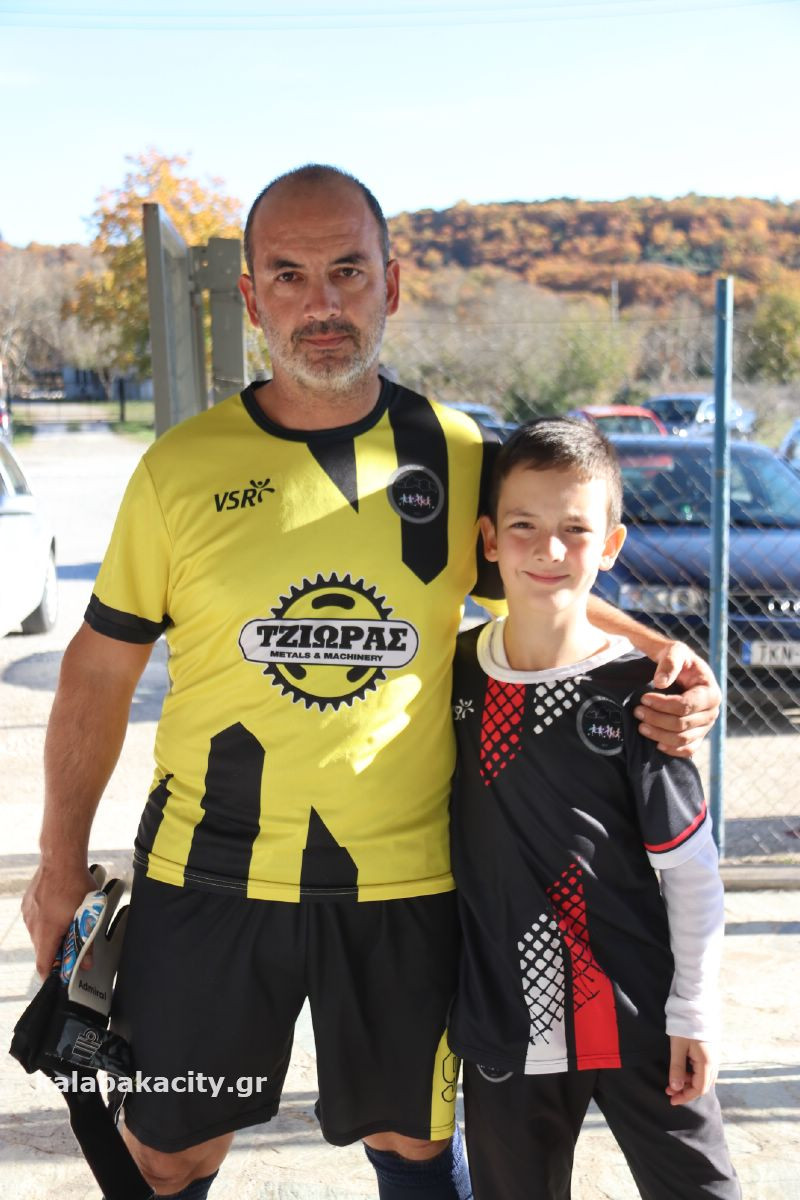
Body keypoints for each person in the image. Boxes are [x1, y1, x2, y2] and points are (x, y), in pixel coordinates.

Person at [22, 165, 721, 1200]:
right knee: (168, 1153)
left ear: (390, 285)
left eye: (348, 271)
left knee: (413, 1146)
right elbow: (95, 671)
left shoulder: (456, 453)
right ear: (251, 297)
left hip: (407, 889)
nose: (322, 303)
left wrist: (664, 656)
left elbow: (544, 578)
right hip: (208, 882)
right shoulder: (178, 469)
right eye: (290, 276)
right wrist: (57, 865)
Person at [448, 418, 740, 1199]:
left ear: (610, 546)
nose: (549, 550)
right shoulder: (454, 673)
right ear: (488, 539)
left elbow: (692, 873)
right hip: (507, 1025)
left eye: (575, 531)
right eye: (524, 526)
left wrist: (694, 1013)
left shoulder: (646, 695)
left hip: (640, 1020)